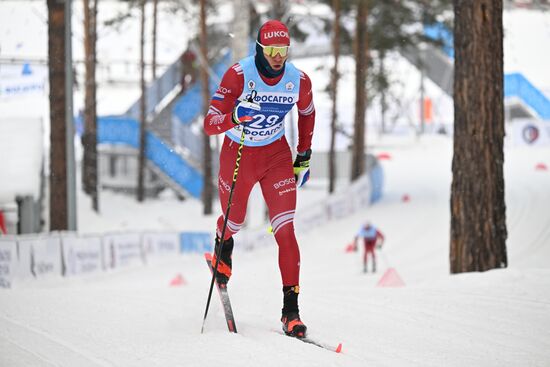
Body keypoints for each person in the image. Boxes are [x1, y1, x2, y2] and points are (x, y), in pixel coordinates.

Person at [203, 20, 316, 338]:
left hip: (276, 156)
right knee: (235, 221)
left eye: (283, 50)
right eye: (271, 50)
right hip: (239, 153)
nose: (277, 57)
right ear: (259, 48)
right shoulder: (239, 75)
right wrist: (236, 116)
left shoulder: (298, 80)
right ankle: (223, 247)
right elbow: (210, 124)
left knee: (286, 230)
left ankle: (290, 312)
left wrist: (303, 154)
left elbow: (307, 112)